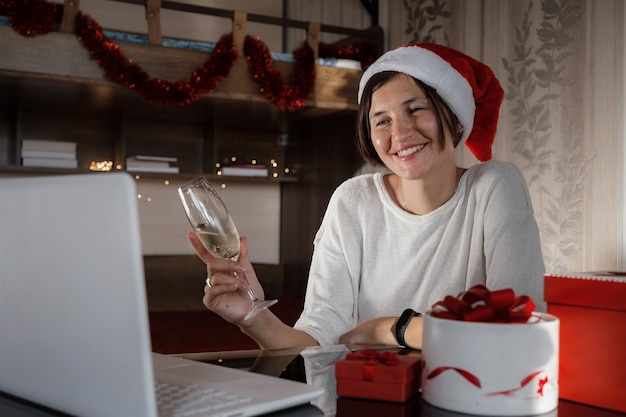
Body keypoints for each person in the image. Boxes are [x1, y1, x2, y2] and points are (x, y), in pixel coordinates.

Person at [187, 43, 545, 350]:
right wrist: (252, 317)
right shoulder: (352, 201)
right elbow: (319, 340)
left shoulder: (495, 186)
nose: (400, 133)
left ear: (452, 114)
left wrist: (387, 329)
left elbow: (516, 327)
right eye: (381, 121)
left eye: (415, 109)